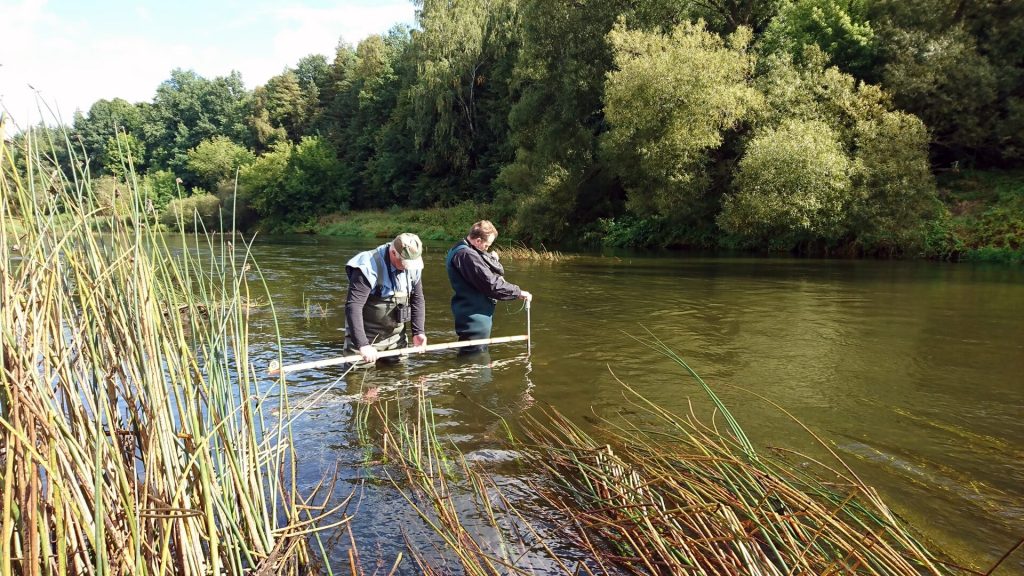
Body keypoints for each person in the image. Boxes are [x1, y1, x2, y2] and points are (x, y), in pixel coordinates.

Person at [445, 220, 532, 354]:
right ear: (478, 240)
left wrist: (490, 258)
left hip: (470, 313)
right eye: (486, 245)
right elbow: (491, 284)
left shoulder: (460, 248)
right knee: (475, 359)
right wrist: (518, 292)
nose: (487, 248)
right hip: (474, 318)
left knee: (474, 356)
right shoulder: (466, 255)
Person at [344, 233, 427, 365]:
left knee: (399, 380)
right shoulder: (367, 265)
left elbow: (417, 298)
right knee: (359, 381)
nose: (407, 267)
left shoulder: (413, 266)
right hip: (366, 337)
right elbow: (353, 306)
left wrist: (418, 332)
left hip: (396, 339)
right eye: (404, 263)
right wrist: (363, 344)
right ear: (393, 252)